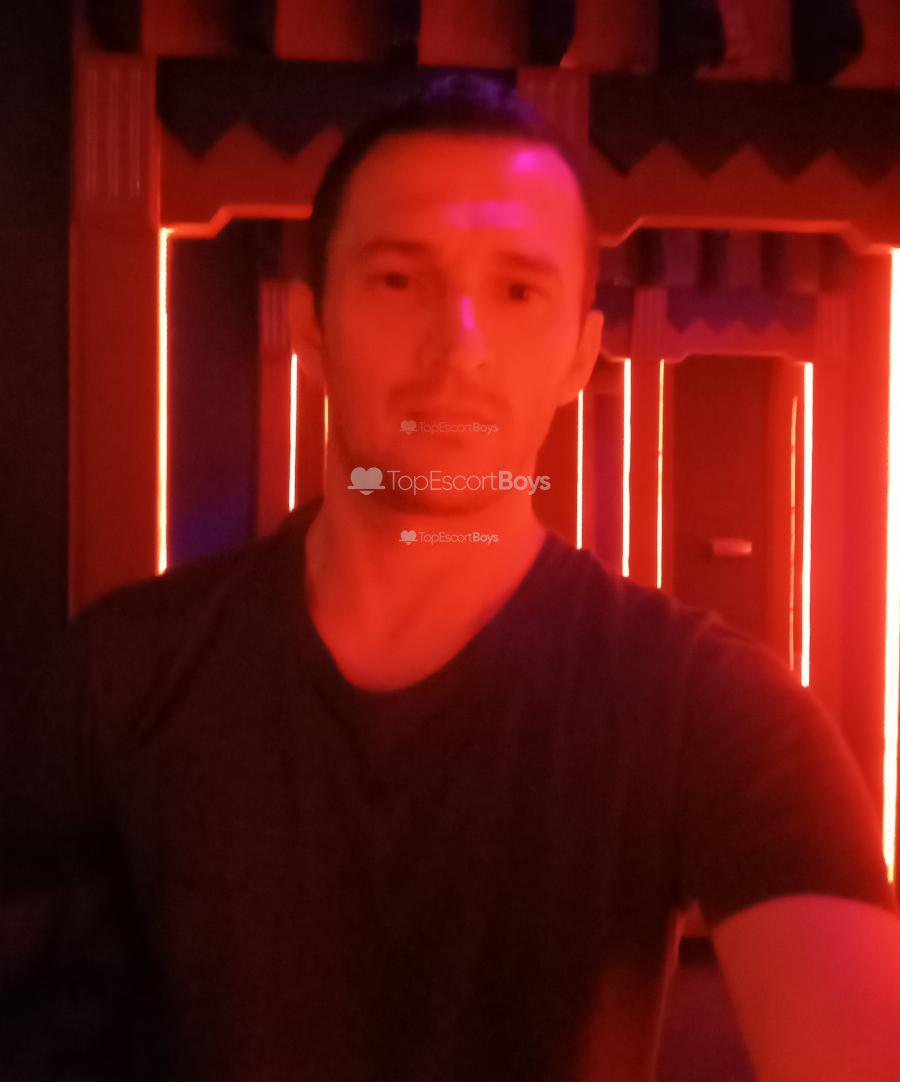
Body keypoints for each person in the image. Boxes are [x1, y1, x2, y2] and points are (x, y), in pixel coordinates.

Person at [2, 73, 899, 1082]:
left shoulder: (709, 704)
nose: (458, 346)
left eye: (517, 291)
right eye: (398, 280)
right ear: (312, 328)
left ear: (579, 356)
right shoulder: (124, 670)